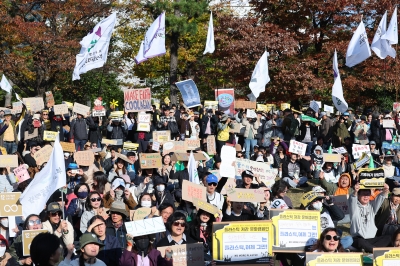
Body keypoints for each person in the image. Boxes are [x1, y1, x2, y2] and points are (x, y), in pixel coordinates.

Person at [349, 183, 391, 252]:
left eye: (367, 194)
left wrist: (385, 190)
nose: (366, 197)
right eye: (363, 194)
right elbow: (352, 199)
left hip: (371, 239)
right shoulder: (354, 207)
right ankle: (375, 251)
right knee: (360, 242)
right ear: (358, 195)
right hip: (358, 238)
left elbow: (380, 198)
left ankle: (367, 248)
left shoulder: (372, 206)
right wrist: (355, 191)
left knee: (388, 238)